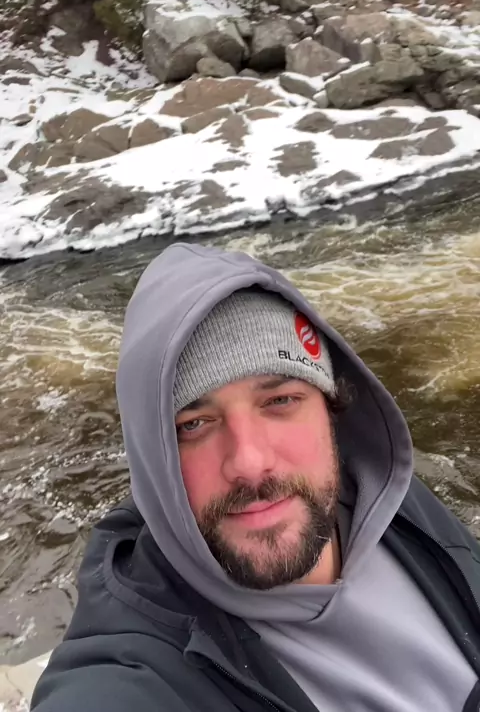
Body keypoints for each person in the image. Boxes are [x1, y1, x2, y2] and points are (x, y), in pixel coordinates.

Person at [31, 242, 480, 712]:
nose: (249, 462)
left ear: (332, 411)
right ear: (153, 461)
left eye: (280, 401)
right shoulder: (131, 672)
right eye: (193, 424)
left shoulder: (390, 498)